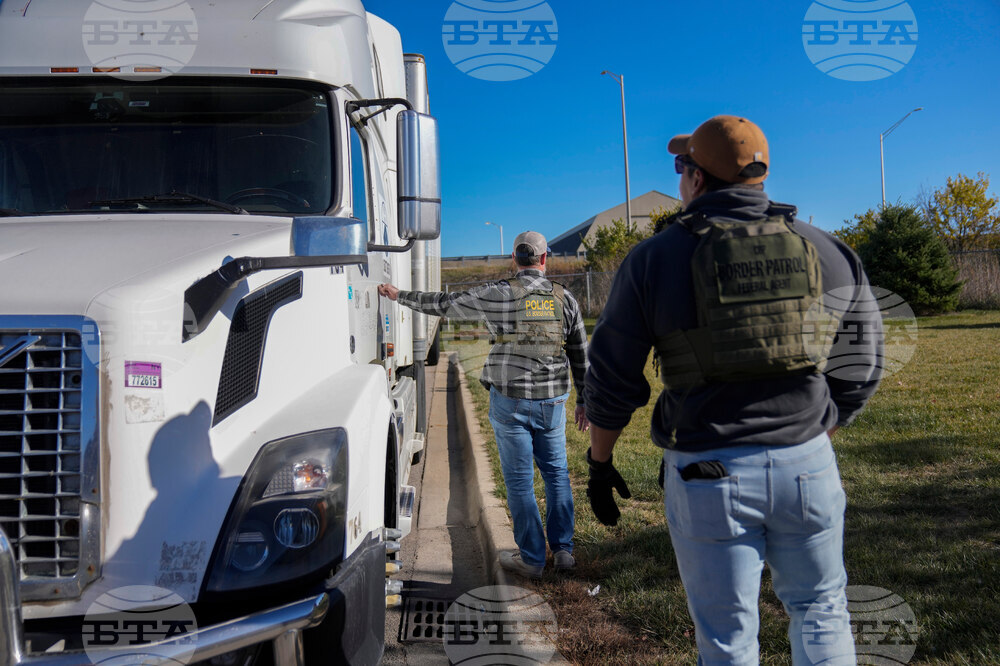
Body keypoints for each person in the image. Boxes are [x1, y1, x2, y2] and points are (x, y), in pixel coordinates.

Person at [583, 115, 883, 664]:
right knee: (822, 609)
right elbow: (862, 363)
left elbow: (612, 378)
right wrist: (814, 432)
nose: (679, 177)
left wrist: (599, 464)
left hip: (708, 472)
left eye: (681, 166)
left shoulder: (655, 258)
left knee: (727, 637)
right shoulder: (828, 248)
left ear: (696, 179)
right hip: (808, 465)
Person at [378, 231, 589, 578]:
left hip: (511, 401)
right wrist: (585, 400)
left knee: (520, 482)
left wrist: (401, 296)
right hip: (553, 401)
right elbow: (580, 352)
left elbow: (446, 304)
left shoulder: (500, 293)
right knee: (557, 474)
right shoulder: (565, 299)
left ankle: (533, 559)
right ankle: (564, 550)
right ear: (544, 258)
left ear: (514, 259)